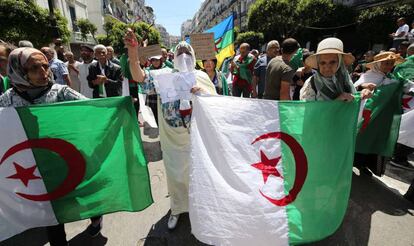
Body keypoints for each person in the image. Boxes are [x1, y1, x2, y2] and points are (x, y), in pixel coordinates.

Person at [0, 47, 103, 245]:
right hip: (34, 165)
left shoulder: (61, 92)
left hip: (66, 159)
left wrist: (117, 107)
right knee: (51, 212)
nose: (43, 72)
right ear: (19, 70)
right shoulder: (7, 99)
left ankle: (96, 216)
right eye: (34, 68)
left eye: (45, 66)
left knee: (79, 195)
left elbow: (91, 111)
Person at [125, 28, 216, 230]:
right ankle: (177, 208)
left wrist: (203, 94)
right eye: (179, 54)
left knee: (198, 175)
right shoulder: (163, 75)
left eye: (187, 54)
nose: (183, 57)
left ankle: (198, 209)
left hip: (197, 139)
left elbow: (217, 104)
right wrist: (133, 54)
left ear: (193, 57)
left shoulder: (201, 77)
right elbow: (139, 77)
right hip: (172, 140)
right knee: (175, 176)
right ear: (173, 57)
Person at [300, 37, 372, 101]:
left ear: (340, 63)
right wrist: (336, 103)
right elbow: (308, 112)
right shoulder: (311, 83)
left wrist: (362, 94)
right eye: (322, 63)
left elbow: (353, 97)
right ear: (318, 64)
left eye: (332, 62)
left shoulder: (344, 79)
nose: (327, 67)